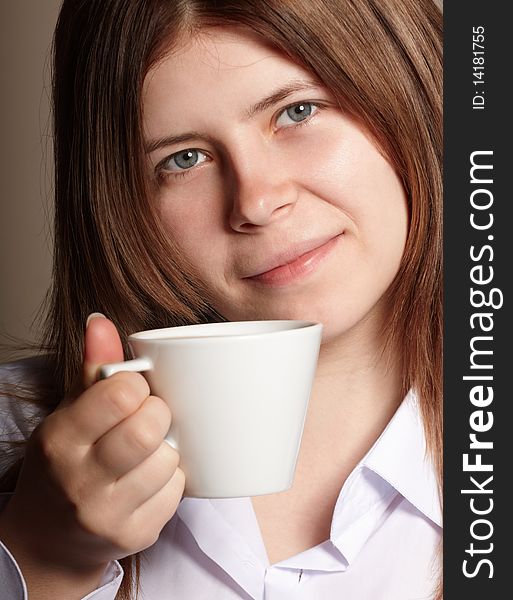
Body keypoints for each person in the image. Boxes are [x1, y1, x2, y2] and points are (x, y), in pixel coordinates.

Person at [0, 0, 443, 598]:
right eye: (184, 159)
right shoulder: (12, 434)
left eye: (297, 111)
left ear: (413, 91)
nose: (256, 202)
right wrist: (43, 560)